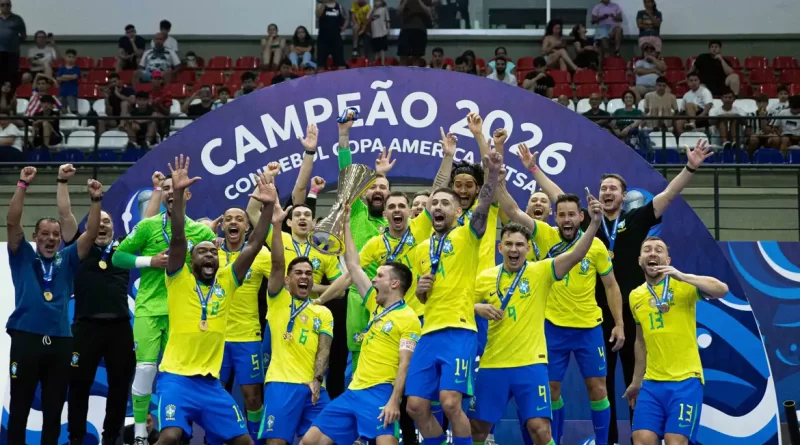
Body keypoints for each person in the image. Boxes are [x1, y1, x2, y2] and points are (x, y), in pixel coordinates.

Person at [525, 139, 713, 445]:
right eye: (604, 188)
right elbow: (558, 196)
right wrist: (533, 169)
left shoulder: (636, 219)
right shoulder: (589, 221)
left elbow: (668, 195)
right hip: (596, 317)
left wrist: (690, 168)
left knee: (636, 382)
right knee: (602, 386)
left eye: (613, 188)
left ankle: (639, 437)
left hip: (637, 312)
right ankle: (610, 440)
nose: (607, 192)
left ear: (624, 196)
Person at [155, 155, 275, 445]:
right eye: (202, 252)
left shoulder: (227, 280)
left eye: (212, 252)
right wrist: (179, 195)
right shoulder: (178, 277)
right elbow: (178, 238)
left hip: (210, 386)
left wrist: (269, 207)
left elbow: (254, 244)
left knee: (244, 441)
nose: (209, 255)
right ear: (191, 259)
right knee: (170, 436)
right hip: (176, 379)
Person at [470, 191, 603, 445]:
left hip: (531, 365)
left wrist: (595, 223)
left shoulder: (542, 271)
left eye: (520, 245)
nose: (514, 249)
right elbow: (461, 304)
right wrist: (478, 308)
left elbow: (576, 254)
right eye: (509, 244)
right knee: (476, 428)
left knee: (540, 430)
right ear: (500, 247)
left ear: (528, 248)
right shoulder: (485, 277)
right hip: (493, 364)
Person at [497, 185, 625, 445]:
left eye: (571, 215)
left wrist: (620, 323)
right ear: (555, 217)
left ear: (581, 216)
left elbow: (611, 285)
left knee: (598, 389)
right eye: (562, 215)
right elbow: (512, 211)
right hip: (552, 327)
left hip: (589, 328)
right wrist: (497, 179)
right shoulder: (545, 234)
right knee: (551, 390)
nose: (567, 220)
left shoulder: (596, 246)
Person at [404, 149, 502, 445]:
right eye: (434, 203)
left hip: (460, 330)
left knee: (449, 402)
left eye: (445, 203)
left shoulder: (468, 236)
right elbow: (425, 299)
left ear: (458, 212)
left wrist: (492, 175)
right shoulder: (421, 250)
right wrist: (420, 292)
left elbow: (483, 204)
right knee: (415, 406)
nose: (438, 206)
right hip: (428, 331)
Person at [301, 205, 421, 445]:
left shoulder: (408, 318)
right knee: (310, 441)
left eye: (379, 276)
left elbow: (405, 365)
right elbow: (354, 267)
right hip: (354, 391)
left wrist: (394, 401)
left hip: (379, 393)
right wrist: (346, 225)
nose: (373, 278)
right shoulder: (374, 305)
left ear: (395, 284)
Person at [112, 171, 217, 444]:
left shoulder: (201, 232)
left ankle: (179, 432)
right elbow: (118, 257)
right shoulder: (147, 226)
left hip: (183, 313)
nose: (171, 192)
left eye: (176, 188)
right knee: (146, 368)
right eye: (167, 188)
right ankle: (139, 434)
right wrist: (150, 261)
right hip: (149, 307)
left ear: (187, 194)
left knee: (178, 375)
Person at [6, 166, 103, 445]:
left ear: (60, 239)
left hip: (60, 341)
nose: (50, 239)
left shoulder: (68, 258)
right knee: (20, 405)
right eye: (45, 234)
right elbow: (12, 222)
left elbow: (91, 233)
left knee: (53, 408)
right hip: (26, 337)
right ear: (35, 237)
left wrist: (96, 200)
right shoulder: (22, 255)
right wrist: (22, 184)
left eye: (55, 235)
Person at [50, 164, 135, 445]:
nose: (103, 225)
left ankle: (111, 438)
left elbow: (147, 221)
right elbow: (65, 214)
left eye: (108, 222)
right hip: (85, 328)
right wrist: (62, 181)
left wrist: (158, 190)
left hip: (120, 329)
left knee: (120, 387)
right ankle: (76, 438)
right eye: (99, 221)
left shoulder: (124, 248)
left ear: (114, 228)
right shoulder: (79, 247)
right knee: (78, 385)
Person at [623, 237, 729, 445]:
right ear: (640, 260)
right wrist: (636, 381)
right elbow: (641, 341)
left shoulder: (683, 286)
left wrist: (682, 276)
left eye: (659, 250)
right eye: (647, 250)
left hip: (685, 382)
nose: (653, 253)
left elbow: (722, 289)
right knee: (641, 439)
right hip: (652, 383)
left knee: (675, 441)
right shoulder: (635, 296)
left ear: (668, 260)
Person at [258, 200, 334, 445]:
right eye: (298, 273)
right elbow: (277, 264)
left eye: (309, 274)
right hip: (281, 384)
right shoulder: (277, 300)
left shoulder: (322, 312)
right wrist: (277, 226)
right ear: (288, 280)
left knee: (328, 438)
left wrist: (317, 380)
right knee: (276, 442)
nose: (304, 277)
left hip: (313, 386)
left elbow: (324, 350)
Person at [217, 205, 273, 443]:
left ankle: (255, 440)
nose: (233, 222)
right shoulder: (210, 252)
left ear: (247, 227)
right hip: (215, 338)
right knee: (215, 396)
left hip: (247, 336)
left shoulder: (260, 254)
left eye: (239, 219)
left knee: (252, 398)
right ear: (222, 225)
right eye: (228, 218)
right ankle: (214, 440)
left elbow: (282, 279)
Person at [397, 0, 433, 66]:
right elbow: (398, 12)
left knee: (416, 57)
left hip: (420, 30)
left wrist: (419, 1)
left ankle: (415, 72)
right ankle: (401, 72)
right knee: (403, 56)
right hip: (406, 29)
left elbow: (429, 13)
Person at [0, 0, 26, 88]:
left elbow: (23, 35)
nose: (5, 7)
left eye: (7, 5)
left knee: (11, 75)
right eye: (2, 5)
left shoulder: (17, 19)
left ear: (10, 6)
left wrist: (14, 42)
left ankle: (11, 94)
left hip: (12, 52)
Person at [316, 1, 347, 70]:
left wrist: (344, 27)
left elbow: (346, 18)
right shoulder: (321, 5)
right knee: (321, 65)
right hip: (323, 39)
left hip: (336, 39)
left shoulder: (339, 6)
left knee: (341, 64)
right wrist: (324, 3)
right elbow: (318, 15)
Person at [55, 48, 80, 113]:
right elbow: (58, 79)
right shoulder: (61, 68)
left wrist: (63, 76)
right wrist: (69, 77)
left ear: (75, 58)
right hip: (62, 93)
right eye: (69, 56)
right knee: (61, 111)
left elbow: (74, 77)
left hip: (72, 93)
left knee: (73, 110)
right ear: (65, 57)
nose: (71, 59)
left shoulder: (76, 68)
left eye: (73, 57)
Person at [368, 0, 390, 66]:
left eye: (378, 1)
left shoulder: (384, 9)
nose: (376, 2)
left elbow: (388, 20)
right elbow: (367, 18)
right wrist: (373, 9)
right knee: (376, 50)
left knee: (382, 49)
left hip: (382, 32)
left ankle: (383, 64)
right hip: (374, 33)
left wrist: (388, 29)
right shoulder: (372, 10)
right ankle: (376, 63)